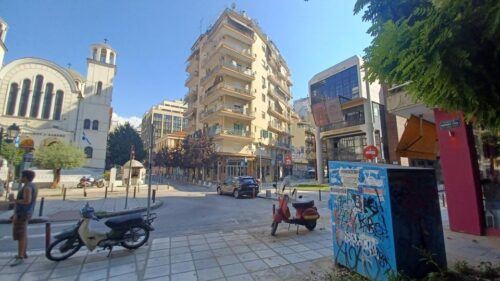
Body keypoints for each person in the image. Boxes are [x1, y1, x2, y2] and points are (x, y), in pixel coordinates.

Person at [9, 170, 37, 266]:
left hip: (23, 214)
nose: (20, 178)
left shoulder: (27, 187)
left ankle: (20, 256)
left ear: (25, 177)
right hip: (25, 213)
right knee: (23, 234)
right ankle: (23, 253)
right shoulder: (33, 186)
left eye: (22, 176)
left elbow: (26, 201)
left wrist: (14, 200)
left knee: (20, 235)